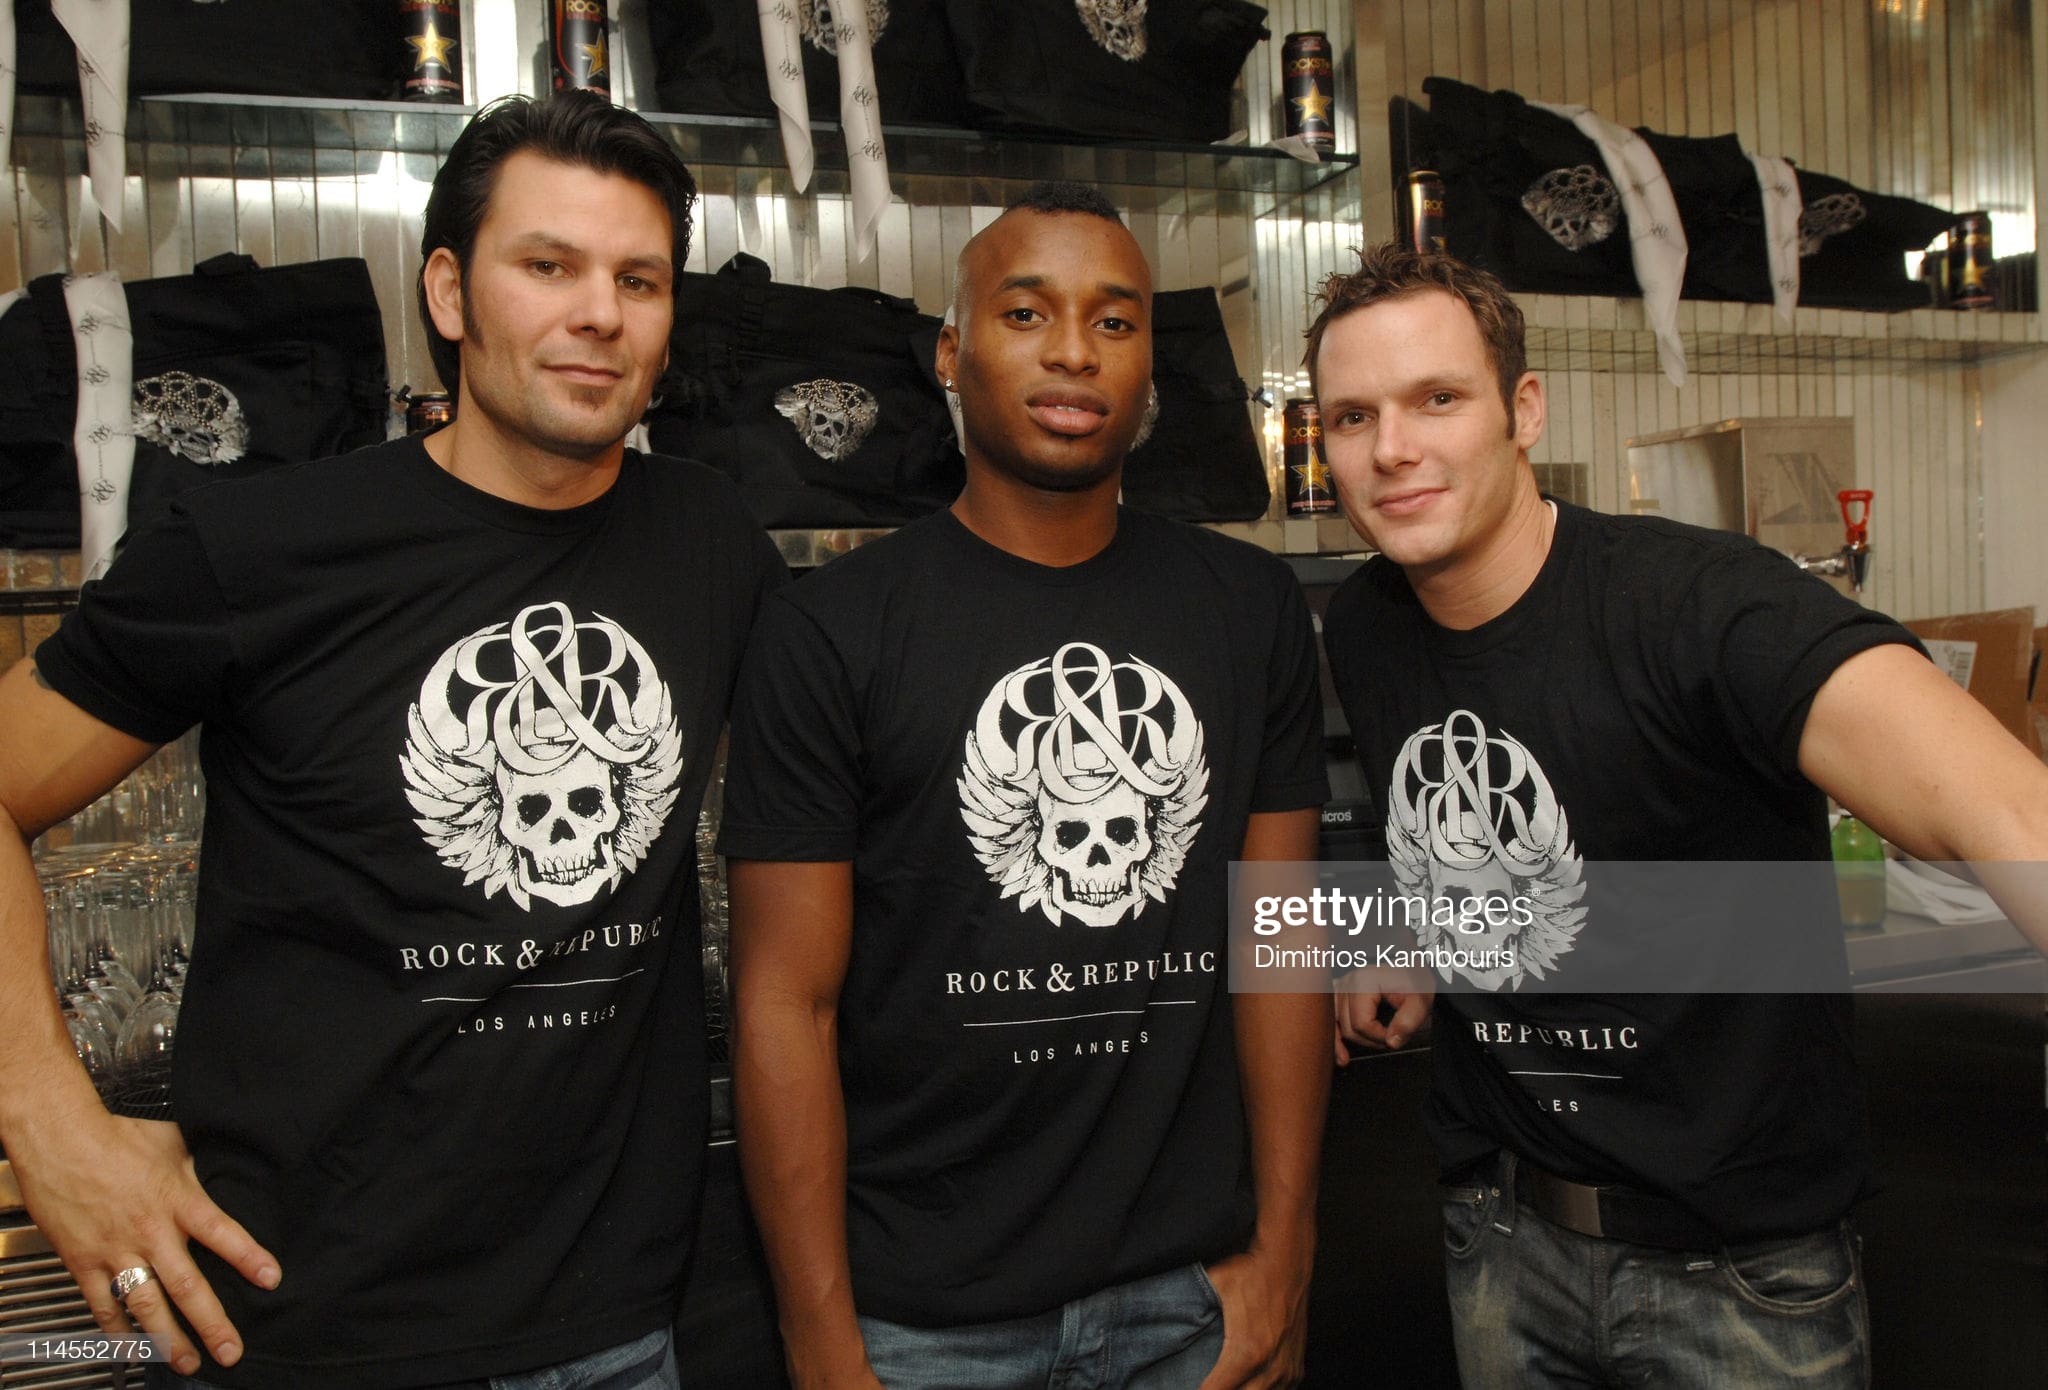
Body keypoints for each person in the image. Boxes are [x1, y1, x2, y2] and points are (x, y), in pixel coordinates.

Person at [0, 92, 787, 1388]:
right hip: (303, 1324)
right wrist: (49, 1123)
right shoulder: (259, 545)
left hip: (620, 1329)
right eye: (548, 265)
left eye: (638, 278)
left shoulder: (710, 541)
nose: (600, 313)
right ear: (450, 291)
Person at [1308, 241, 2048, 1388]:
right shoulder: (1364, 626)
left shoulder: (1697, 605)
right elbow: (1525, 815)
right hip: (1499, 1245)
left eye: (1436, 398)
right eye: (1351, 417)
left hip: (1738, 1282)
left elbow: (2001, 808)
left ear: (1523, 410)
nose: (1390, 447)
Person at [720, 181, 1332, 1390]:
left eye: (1114, 321)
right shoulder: (828, 630)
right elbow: (785, 1006)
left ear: (1148, 366)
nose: (1072, 351)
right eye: (1024, 312)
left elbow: (1279, 945)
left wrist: (1286, 1251)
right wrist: (820, 1338)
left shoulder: (1246, 607)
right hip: (921, 1330)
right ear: (951, 353)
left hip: (1189, 1303)